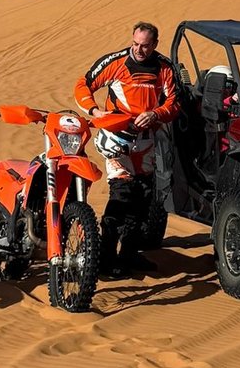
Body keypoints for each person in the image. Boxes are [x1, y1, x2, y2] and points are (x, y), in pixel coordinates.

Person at [74, 22, 178, 276]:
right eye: (135, 44)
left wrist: (156, 114)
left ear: (155, 44)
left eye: (145, 46)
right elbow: (83, 85)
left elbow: (175, 103)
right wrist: (95, 111)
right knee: (122, 195)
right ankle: (106, 258)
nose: (139, 50)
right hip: (116, 138)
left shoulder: (164, 67)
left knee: (143, 198)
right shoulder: (115, 62)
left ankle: (130, 253)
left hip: (147, 141)